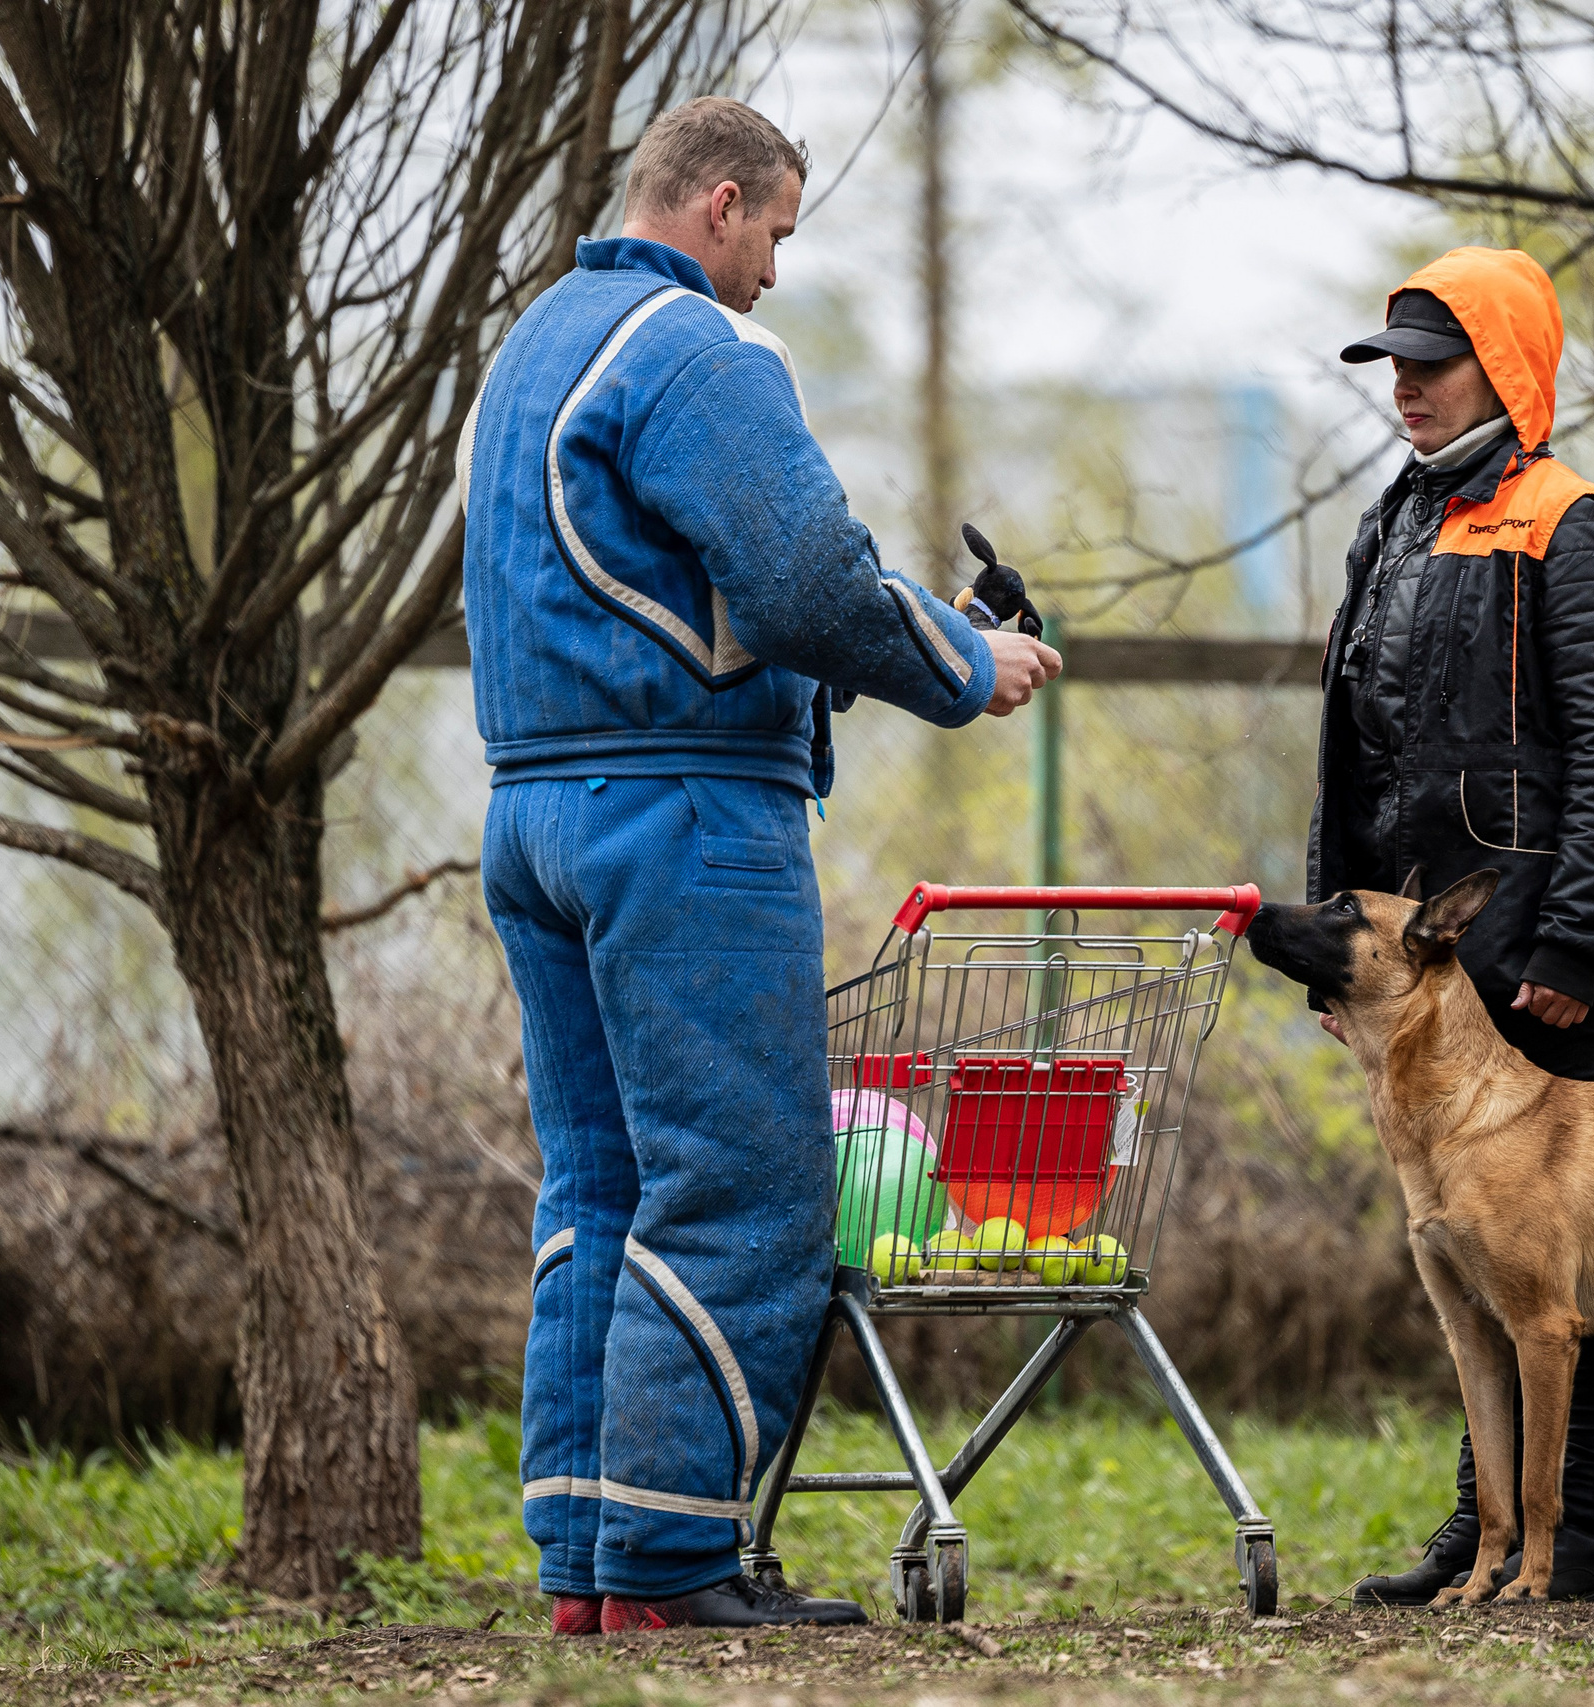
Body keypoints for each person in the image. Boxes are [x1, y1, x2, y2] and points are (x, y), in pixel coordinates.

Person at [459, 97, 1061, 1633]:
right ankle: (673, 1566)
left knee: (600, 1186)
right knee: (739, 1184)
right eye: (778, 234)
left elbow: (704, 579)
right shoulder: (691, 351)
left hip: (535, 809)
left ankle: (590, 1562)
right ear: (720, 204)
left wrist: (920, 623)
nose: (776, 274)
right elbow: (798, 577)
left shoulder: (531, 350)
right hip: (681, 816)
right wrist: (960, 666)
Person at [1313, 247, 1594, 1605]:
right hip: (1420, 966)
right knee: (1470, 1256)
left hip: (1534, 958)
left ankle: (1579, 1543)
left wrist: (1575, 943)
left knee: (1583, 1263)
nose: (1403, 389)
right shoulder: (1394, 521)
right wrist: (1345, 942)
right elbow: (1351, 748)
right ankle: (1486, 1531)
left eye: (1429, 363)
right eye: (1390, 365)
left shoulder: (1576, 524)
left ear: (1505, 367)